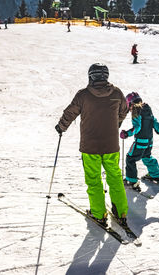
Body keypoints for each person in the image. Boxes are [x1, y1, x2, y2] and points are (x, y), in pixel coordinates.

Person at [55, 63, 129, 227]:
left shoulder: (83, 95)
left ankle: (98, 214)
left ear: (91, 76)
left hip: (90, 147)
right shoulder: (116, 93)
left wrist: (61, 127)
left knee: (94, 180)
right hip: (111, 145)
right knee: (115, 177)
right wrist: (115, 124)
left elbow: (70, 112)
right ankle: (121, 211)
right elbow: (124, 110)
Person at [120, 92, 159, 190]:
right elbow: (155, 124)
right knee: (147, 157)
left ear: (130, 104)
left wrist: (127, 133)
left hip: (140, 142)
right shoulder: (147, 109)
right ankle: (156, 175)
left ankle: (131, 180)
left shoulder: (136, 110)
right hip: (149, 142)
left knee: (130, 159)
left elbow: (137, 127)